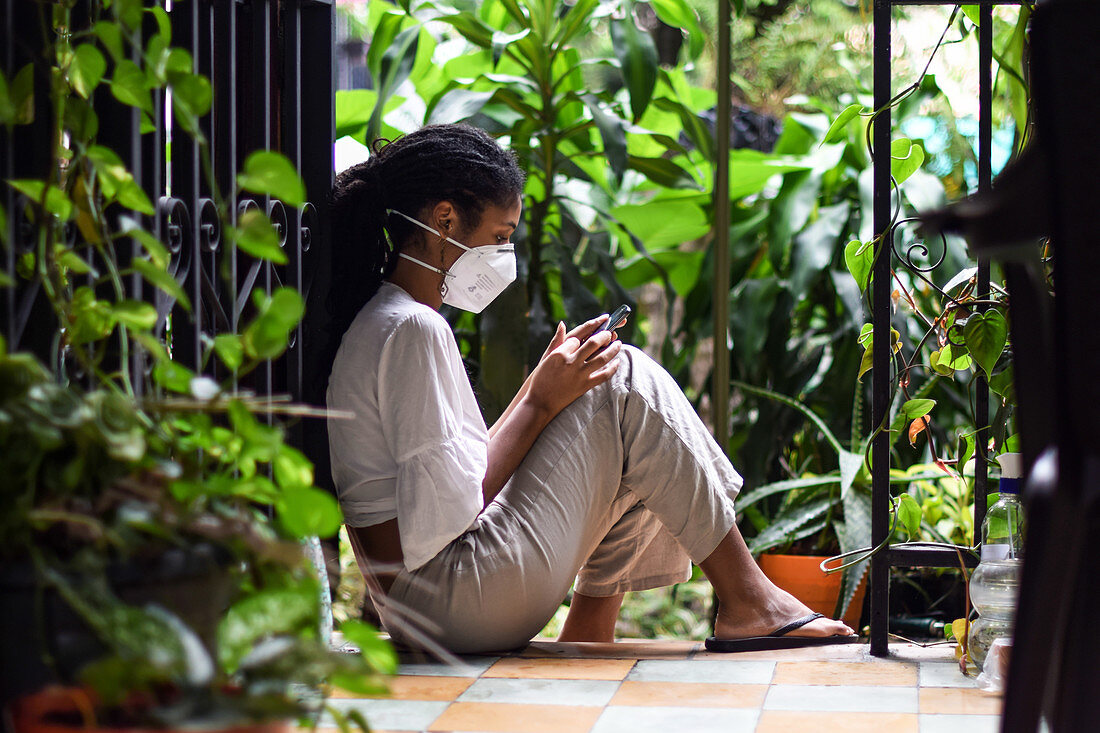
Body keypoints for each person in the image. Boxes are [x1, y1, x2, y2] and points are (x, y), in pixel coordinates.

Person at [325, 123, 855, 654]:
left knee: (627, 421)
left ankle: (592, 630)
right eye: (499, 237)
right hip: (453, 602)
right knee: (623, 378)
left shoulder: (388, 321)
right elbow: (453, 512)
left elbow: (451, 482)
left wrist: (545, 384)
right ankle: (751, 602)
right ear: (445, 220)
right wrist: (539, 400)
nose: (505, 254)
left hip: (428, 606)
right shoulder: (413, 329)